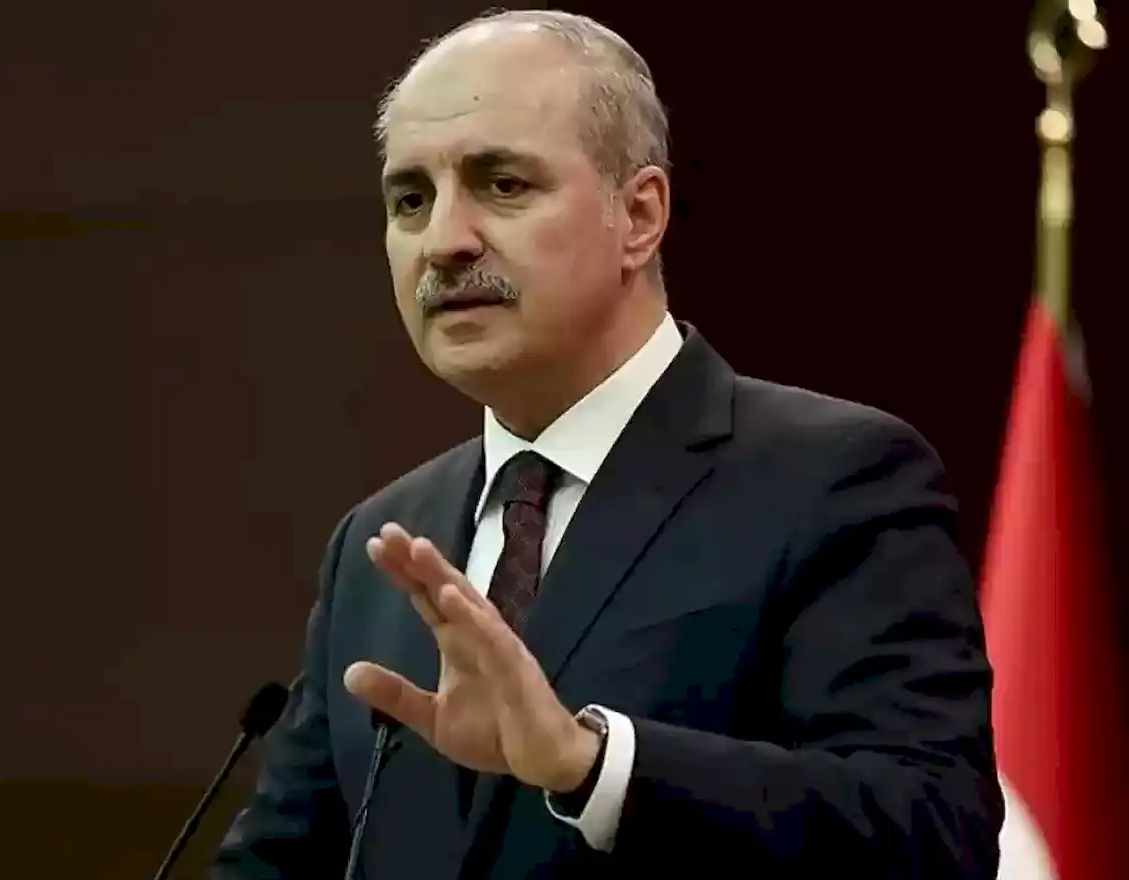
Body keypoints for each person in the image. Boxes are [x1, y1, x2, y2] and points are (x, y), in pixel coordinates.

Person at [211, 9, 1004, 879]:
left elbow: (932, 832)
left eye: (502, 184)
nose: (443, 242)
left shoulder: (832, 479)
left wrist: (594, 767)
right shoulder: (380, 543)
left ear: (639, 215)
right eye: (411, 200)